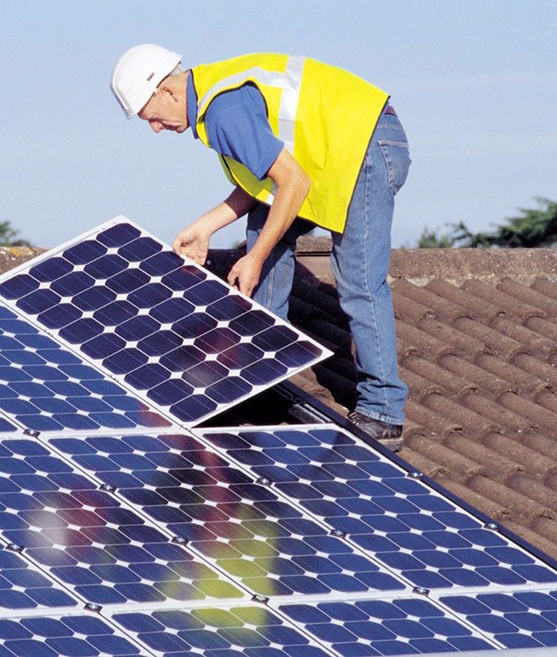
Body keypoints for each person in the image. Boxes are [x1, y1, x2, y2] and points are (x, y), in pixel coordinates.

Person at [110, 45, 411, 451]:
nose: (156, 129)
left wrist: (253, 259)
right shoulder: (214, 103)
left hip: (366, 144)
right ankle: (261, 374)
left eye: (152, 118)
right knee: (264, 232)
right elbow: (262, 185)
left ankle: (383, 411)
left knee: (358, 278)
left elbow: (293, 183)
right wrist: (207, 226)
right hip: (334, 154)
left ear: (168, 91)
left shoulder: (223, 111)